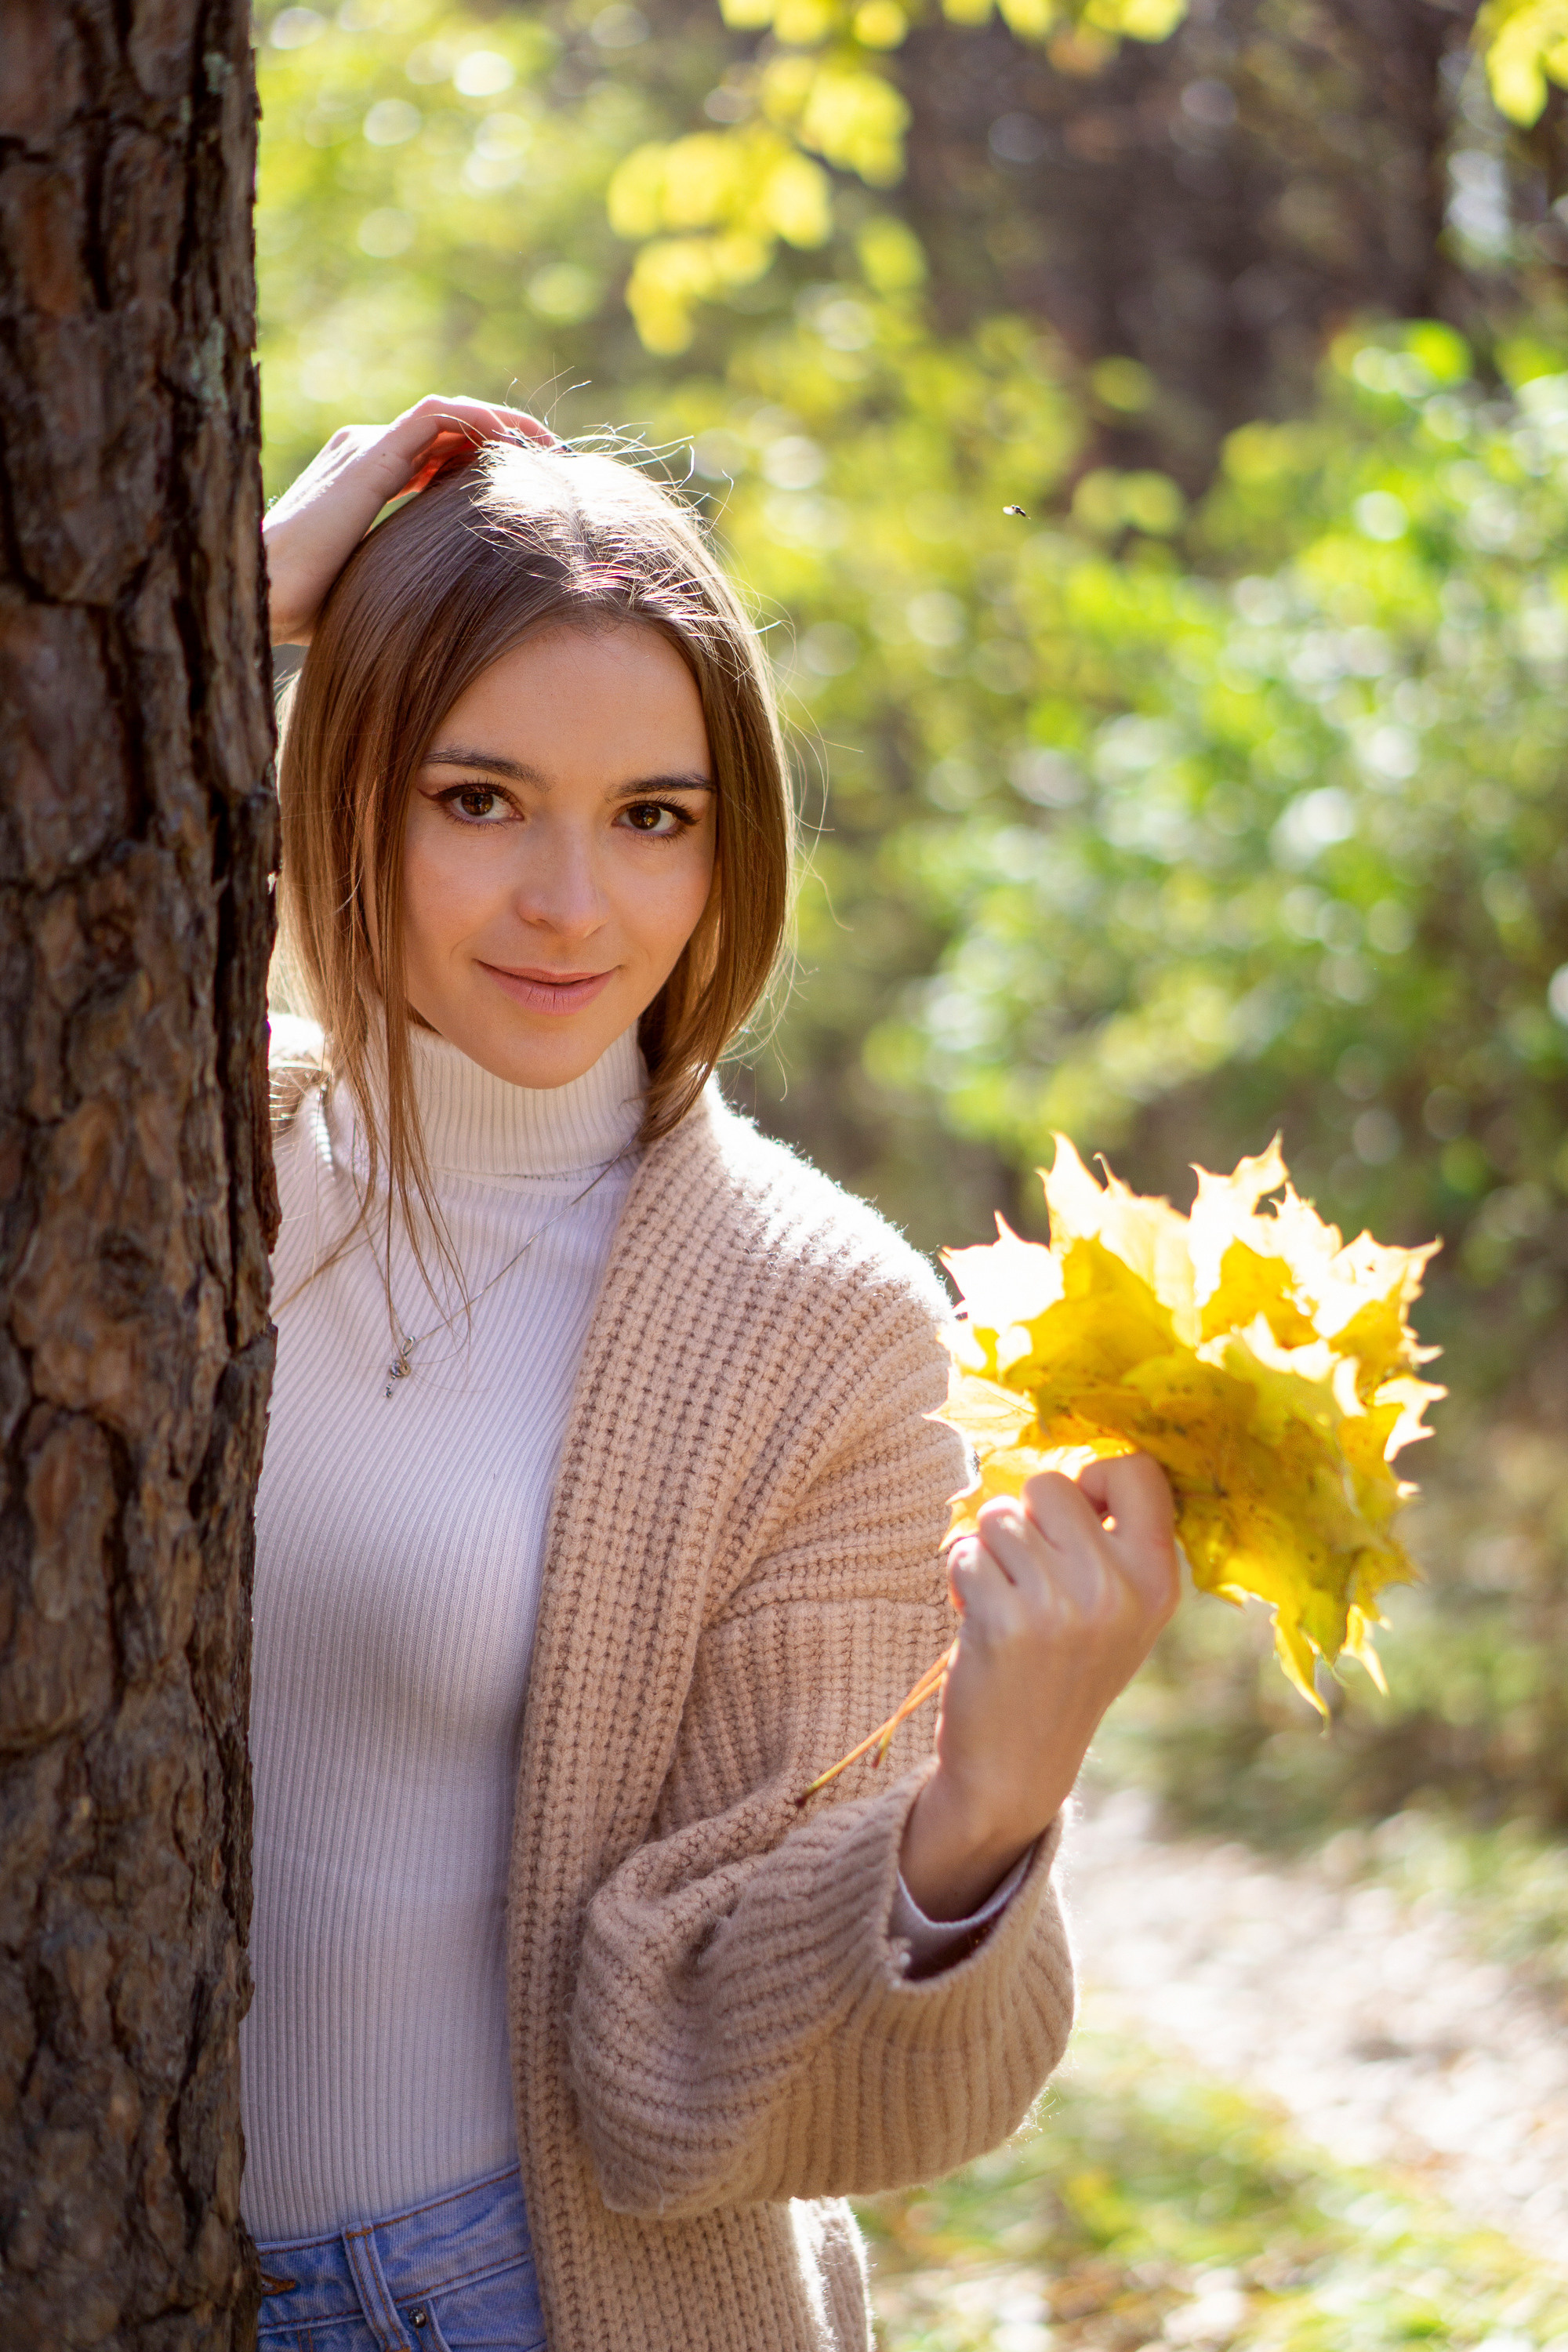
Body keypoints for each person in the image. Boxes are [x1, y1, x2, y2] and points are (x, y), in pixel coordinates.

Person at [249, 394, 1179, 2352]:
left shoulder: (809, 1317)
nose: (573, 906)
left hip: (499, 2296)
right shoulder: (149, 1152)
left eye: (651, 818)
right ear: (339, 781)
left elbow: (706, 2076)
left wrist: (990, 1799)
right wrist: (231, 598)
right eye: (476, 797)